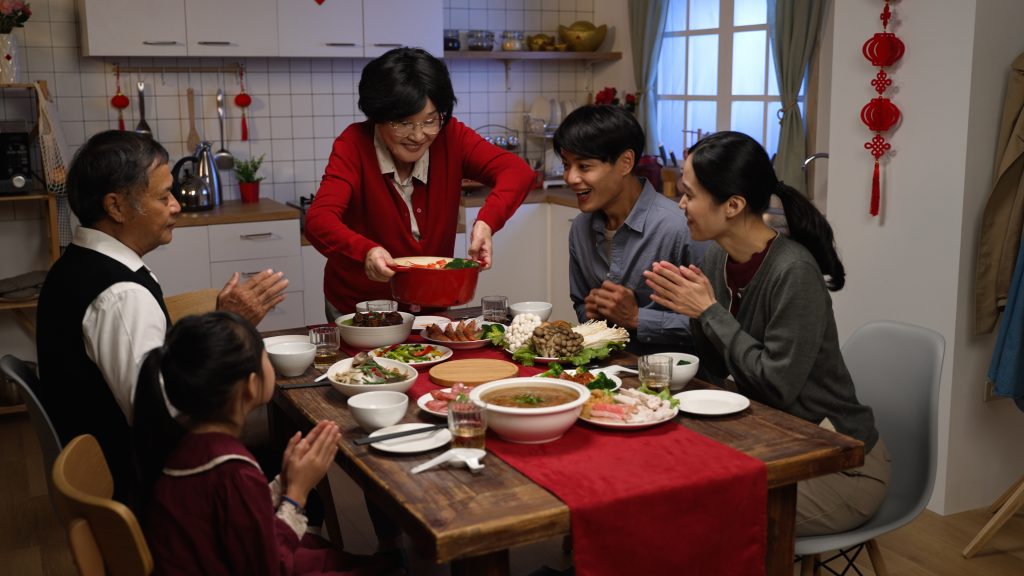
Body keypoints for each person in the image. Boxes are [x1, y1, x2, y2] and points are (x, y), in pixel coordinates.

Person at [643, 131, 890, 536]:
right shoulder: (718, 255)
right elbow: (721, 368)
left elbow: (776, 385)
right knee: (657, 475)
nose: (680, 205)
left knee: (695, 513)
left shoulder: (793, 271)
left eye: (689, 194)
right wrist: (694, 312)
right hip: (771, 442)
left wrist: (708, 311)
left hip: (837, 462)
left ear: (733, 205)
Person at [36, 130, 289, 507]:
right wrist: (230, 328)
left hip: (129, 470)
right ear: (116, 207)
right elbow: (163, 418)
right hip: (150, 489)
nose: (176, 206)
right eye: (163, 196)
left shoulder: (75, 265)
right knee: (290, 452)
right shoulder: (120, 296)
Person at [138, 311, 387, 575]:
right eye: (264, 358)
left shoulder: (189, 447)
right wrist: (297, 494)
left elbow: (237, 521)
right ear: (251, 385)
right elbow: (271, 565)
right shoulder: (233, 472)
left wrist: (286, 480)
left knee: (336, 558)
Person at [305, 46, 534, 316]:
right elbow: (319, 220)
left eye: (429, 120)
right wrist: (366, 251)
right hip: (363, 309)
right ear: (377, 116)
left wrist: (486, 222)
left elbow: (517, 171)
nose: (418, 135)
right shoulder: (354, 143)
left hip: (433, 303)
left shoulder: (451, 136)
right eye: (402, 123)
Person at [552, 105, 705, 354]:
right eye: (566, 165)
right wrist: (592, 313)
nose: (570, 178)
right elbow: (580, 303)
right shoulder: (581, 228)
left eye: (584, 166)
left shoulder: (680, 228)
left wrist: (637, 317)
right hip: (609, 371)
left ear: (625, 163)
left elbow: (717, 329)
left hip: (680, 384)